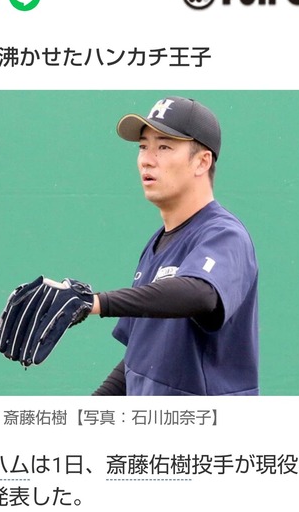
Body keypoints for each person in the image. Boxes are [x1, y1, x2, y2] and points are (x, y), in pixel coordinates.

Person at [89, 95, 259, 396]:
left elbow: (201, 293)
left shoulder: (225, 234)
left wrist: (97, 303)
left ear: (202, 161)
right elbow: (142, 357)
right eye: (143, 146)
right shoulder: (157, 243)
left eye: (164, 147)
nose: (147, 159)